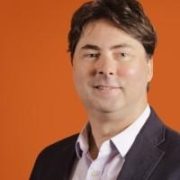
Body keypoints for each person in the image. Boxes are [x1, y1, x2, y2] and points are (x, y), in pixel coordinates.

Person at [30, 0, 180, 179]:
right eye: (92, 54)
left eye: (122, 54)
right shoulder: (49, 161)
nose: (105, 68)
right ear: (73, 64)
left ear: (149, 68)